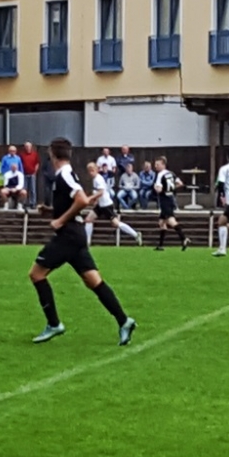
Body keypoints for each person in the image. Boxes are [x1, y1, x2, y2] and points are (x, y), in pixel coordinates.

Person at [30, 137, 137, 345]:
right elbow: (77, 201)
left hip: (69, 235)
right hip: (76, 234)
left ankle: (54, 324)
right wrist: (51, 211)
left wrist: (60, 220)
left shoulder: (64, 174)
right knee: (93, 281)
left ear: (52, 154)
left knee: (36, 274)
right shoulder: (68, 174)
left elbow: (80, 200)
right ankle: (124, 321)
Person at [85, 162, 142, 247]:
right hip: (101, 205)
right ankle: (87, 242)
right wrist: (95, 201)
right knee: (88, 219)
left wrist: (90, 198)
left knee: (116, 223)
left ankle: (136, 234)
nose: (90, 173)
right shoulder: (95, 179)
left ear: (96, 170)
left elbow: (101, 192)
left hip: (106, 205)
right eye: (89, 171)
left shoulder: (98, 179)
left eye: (92, 170)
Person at [153, 157, 191, 251]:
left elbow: (159, 190)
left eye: (157, 164)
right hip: (171, 199)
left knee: (171, 220)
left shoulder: (160, 175)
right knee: (161, 222)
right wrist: (171, 188)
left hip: (165, 200)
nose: (155, 166)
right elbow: (180, 183)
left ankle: (184, 238)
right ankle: (160, 245)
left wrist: (155, 187)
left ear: (163, 164)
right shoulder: (171, 173)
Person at [19, 142, 40, 208]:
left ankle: (32, 203)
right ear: (25, 147)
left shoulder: (35, 154)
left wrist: (35, 172)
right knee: (24, 189)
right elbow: (20, 164)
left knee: (32, 189)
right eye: (26, 146)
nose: (28, 148)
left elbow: (37, 163)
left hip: (32, 174)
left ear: (31, 147)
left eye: (29, 146)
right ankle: (24, 203)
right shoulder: (22, 155)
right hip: (24, 174)